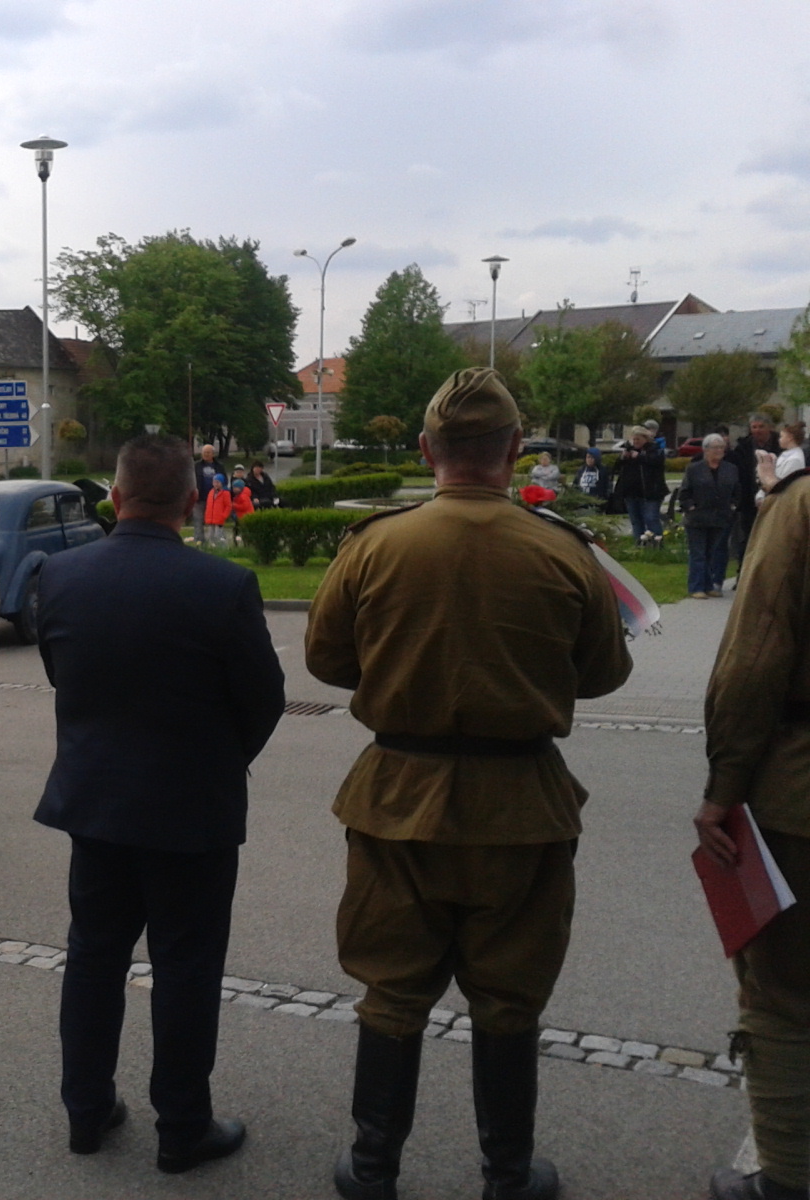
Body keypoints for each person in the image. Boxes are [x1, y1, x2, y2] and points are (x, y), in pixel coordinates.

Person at [306, 368, 631, 1200]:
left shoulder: (375, 544)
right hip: (520, 802)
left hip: (396, 795)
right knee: (510, 994)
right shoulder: (561, 549)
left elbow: (326, 660)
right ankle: (508, 1174)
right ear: (515, 450)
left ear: (426, 450)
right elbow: (601, 675)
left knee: (391, 986)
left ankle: (373, 1167)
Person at [35, 434, 285, 1175]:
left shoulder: (61, 575)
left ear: (114, 497)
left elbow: (62, 674)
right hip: (190, 809)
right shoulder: (223, 585)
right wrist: (214, 759)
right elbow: (264, 701)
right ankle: (181, 1126)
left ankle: (86, 1112)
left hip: (97, 803)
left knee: (93, 956)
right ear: (188, 502)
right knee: (186, 967)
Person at [698, 461, 810, 1200]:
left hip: (800, 792)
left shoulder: (800, 510)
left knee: (784, 993)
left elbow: (756, 656)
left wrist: (722, 790)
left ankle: (789, 1179)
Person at [678, 434, 740, 599]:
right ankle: (696, 587)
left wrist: (732, 505)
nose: (719, 451)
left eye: (721, 447)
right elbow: (684, 492)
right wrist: (690, 506)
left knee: (711, 553)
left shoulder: (730, 469)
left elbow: (737, 491)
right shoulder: (694, 468)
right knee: (698, 553)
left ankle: (709, 585)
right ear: (705, 450)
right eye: (715, 447)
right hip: (697, 517)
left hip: (720, 517)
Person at [728, 414, 780, 569]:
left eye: (761, 427)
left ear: (769, 427)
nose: (757, 430)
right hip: (748, 501)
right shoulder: (743, 447)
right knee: (747, 538)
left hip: (775, 499)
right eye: (754, 427)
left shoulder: (780, 446)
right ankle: (743, 573)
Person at [612, 426, 668, 546]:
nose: (635, 442)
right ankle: (639, 544)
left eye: (638, 439)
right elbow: (617, 467)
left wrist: (640, 457)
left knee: (651, 519)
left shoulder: (654, 450)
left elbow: (655, 462)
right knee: (636, 521)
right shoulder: (629, 450)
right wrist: (623, 457)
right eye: (634, 439)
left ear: (645, 439)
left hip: (650, 493)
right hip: (631, 492)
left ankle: (656, 544)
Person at [754, 421, 805, 505]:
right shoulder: (786, 455)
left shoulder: (795, 459)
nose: (779, 440)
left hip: (781, 502)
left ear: (790, 438)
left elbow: (782, 484)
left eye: (781, 437)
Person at [191, 443, 226, 543]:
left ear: (213, 454)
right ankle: (199, 541)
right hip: (200, 497)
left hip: (216, 498)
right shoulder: (196, 466)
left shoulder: (219, 466)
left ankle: (216, 541)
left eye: (208, 452)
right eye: (204, 452)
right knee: (198, 520)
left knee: (215, 521)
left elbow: (225, 481)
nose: (206, 454)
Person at [202, 474, 232, 548]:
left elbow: (228, 506)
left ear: (222, 483)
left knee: (218, 536)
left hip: (219, 518)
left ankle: (223, 548)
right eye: (214, 482)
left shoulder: (225, 493)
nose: (216, 484)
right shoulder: (211, 492)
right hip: (210, 518)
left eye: (218, 482)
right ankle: (213, 549)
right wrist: (207, 515)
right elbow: (208, 505)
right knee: (210, 536)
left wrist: (224, 516)